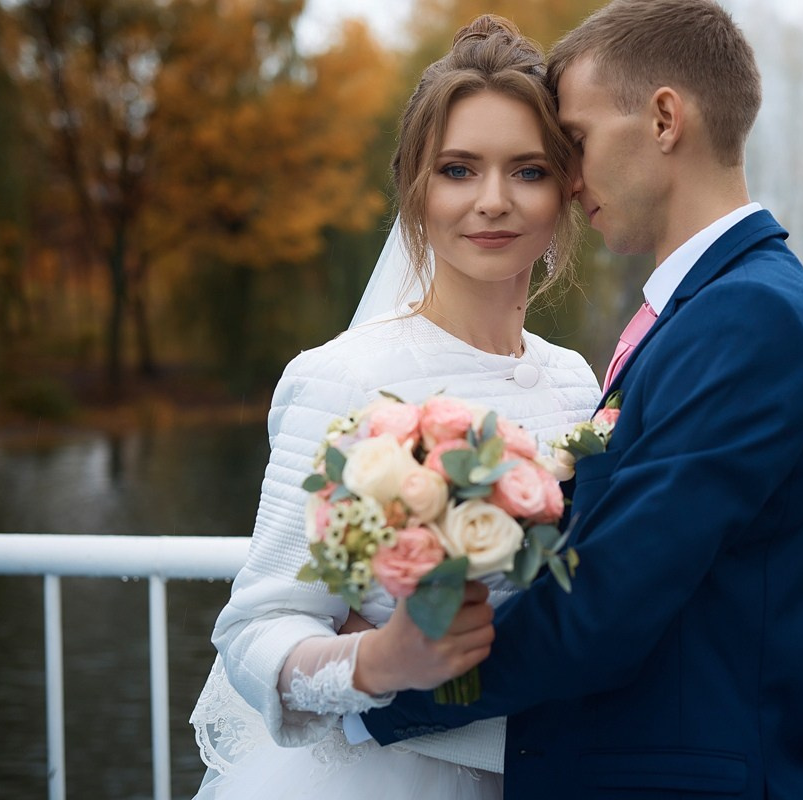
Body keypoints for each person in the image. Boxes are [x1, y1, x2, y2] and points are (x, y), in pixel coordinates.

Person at [354, 1, 803, 798]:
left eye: (577, 143)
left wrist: (380, 689)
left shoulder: (746, 317)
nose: (571, 179)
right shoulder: (720, 306)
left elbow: (604, 610)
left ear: (664, 118)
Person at [188, 16, 601, 799]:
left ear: (566, 189)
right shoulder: (342, 377)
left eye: (528, 171)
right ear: (415, 186)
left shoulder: (578, 383)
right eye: (457, 169)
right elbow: (255, 631)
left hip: (541, 769)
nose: (492, 201)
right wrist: (376, 663)